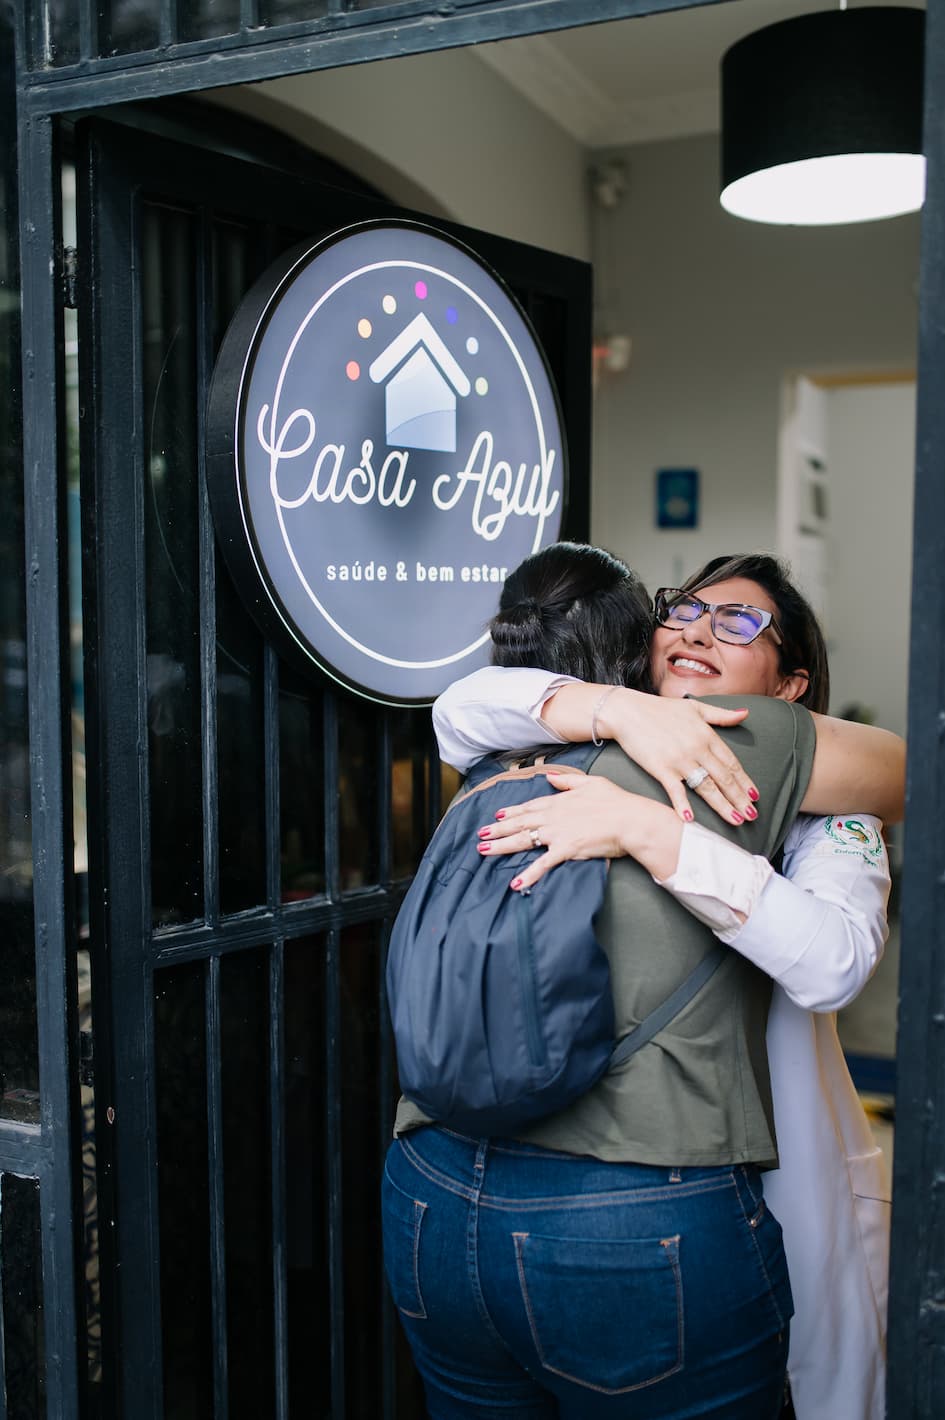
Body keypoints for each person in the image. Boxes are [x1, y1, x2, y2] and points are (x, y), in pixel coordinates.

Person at [382, 544, 902, 1420]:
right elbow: (902, 761)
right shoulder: (584, 725)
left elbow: (835, 956)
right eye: (683, 611)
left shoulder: (531, 747)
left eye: (738, 622)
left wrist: (647, 829)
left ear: (789, 687)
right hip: (627, 1212)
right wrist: (620, 709)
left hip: (428, 1194)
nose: (699, 629)